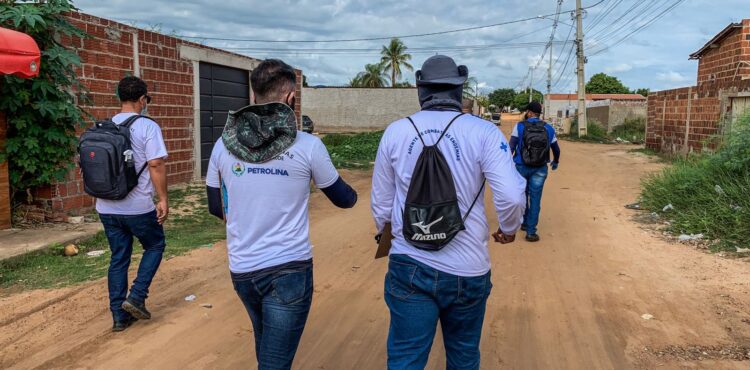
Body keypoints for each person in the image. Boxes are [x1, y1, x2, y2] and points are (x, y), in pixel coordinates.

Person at [371, 55, 526, 369]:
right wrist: (509, 229)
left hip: (409, 262)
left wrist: (388, 234)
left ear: (421, 89)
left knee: (405, 357)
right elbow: (510, 195)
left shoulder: (396, 132)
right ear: (459, 89)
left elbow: (381, 204)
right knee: (463, 354)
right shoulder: (484, 133)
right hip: (467, 267)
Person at [205, 59, 357, 370]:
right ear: (290, 98)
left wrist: (247, 218)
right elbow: (344, 200)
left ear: (253, 95)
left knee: (268, 351)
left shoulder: (223, 146)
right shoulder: (308, 146)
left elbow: (215, 206)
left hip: (243, 269)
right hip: (289, 271)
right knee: (274, 363)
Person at [97, 76, 169, 332]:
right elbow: (156, 164)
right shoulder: (147, 127)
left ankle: (119, 316)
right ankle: (137, 296)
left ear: (120, 98)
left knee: (119, 258)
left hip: (106, 207)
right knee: (155, 244)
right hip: (137, 206)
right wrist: (162, 199)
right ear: (142, 99)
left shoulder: (103, 126)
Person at [509, 101, 561, 242]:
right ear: (539, 113)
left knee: (523, 196)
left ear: (529, 112)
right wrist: (555, 161)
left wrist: (508, 164)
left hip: (521, 166)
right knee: (535, 198)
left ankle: (524, 223)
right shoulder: (548, 128)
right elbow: (556, 149)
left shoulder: (519, 126)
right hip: (540, 168)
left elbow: (511, 146)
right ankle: (531, 232)